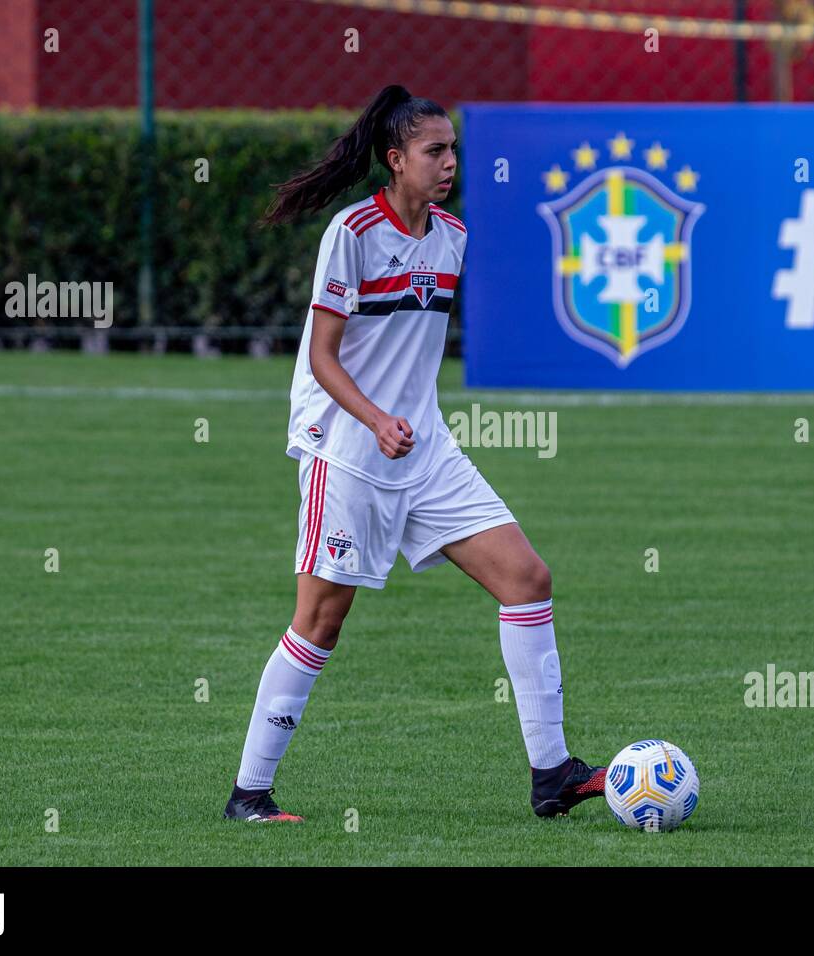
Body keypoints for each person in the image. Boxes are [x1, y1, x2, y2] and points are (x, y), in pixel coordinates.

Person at [222, 84, 605, 823]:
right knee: (320, 622)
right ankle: (250, 795)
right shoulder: (352, 233)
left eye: (453, 149)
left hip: (424, 452)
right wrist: (374, 420)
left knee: (527, 578)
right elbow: (325, 359)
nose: (449, 162)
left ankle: (551, 774)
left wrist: (406, 425)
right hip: (349, 451)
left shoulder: (451, 238)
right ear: (395, 160)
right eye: (434, 150)